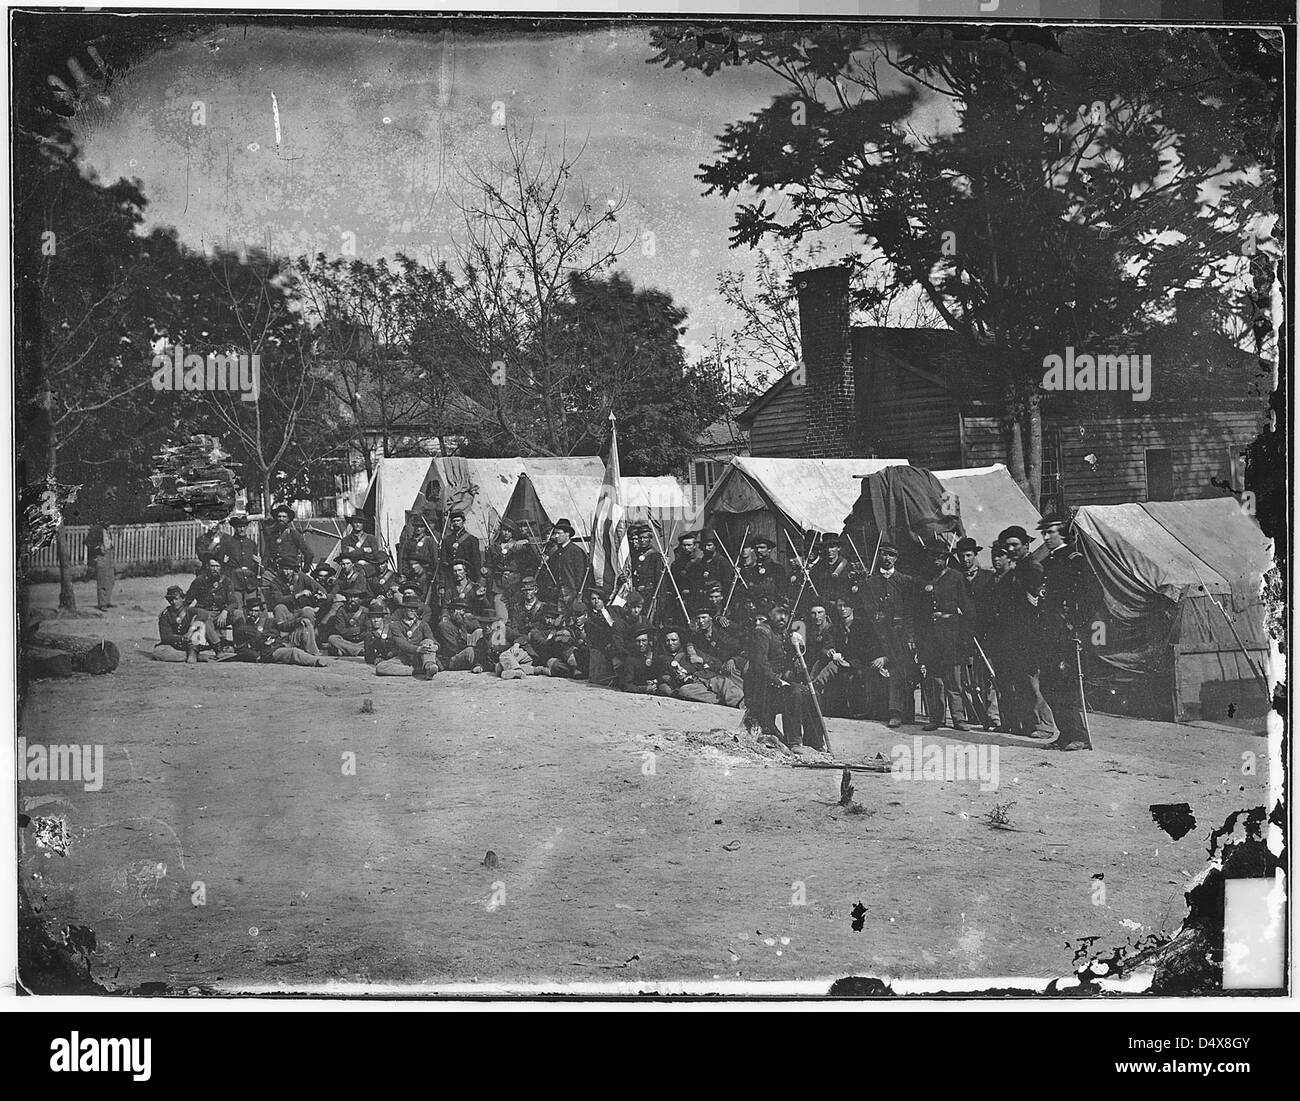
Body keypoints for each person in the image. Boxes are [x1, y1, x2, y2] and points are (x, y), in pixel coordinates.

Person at [1037, 516, 1093, 750]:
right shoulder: (1049, 562)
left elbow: (1087, 597)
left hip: (1066, 633)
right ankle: (1065, 733)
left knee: (1065, 685)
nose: (1046, 537)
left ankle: (1079, 735)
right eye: (1045, 533)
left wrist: (1077, 627)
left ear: (1063, 534)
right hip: (1050, 631)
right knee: (1049, 684)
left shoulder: (1074, 560)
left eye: (1050, 532)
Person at [998, 525, 1057, 741]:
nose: (1011, 548)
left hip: (1031, 635)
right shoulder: (1016, 570)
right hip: (1015, 634)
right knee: (1022, 680)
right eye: (1008, 546)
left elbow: (1038, 603)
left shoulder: (1033, 569)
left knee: (1032, 681)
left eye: (1015, 544)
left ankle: (1045, 725)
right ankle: (1030, 722)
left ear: (1027, 545)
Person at [858, 541, 916, 728]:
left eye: (891, 555)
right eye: (884, 554)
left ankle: (899, 712)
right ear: (879, 556)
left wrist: (910, 636)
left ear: (896, 558)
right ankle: (878, 709)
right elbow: (866, 608)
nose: (887, 558)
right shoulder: (870, 582)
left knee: (901, 670)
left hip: (899, 634)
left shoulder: (905, 581)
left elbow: (910, 611)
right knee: (878, 668)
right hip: (878, 633)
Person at [916, 541, 972, 732]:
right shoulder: (924, 578)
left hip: (951, 636)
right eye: (933, 556)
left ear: (946, 558)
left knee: (954, 681)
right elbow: (920, 612)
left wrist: (961, 630)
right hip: (931, 638)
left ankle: (958, 718)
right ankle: (937, 718)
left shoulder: (956, 577)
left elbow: (966, 607)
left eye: (940, 557)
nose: (936, 560)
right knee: (934, 680)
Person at [952, 537, 999, 731]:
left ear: (975, 555)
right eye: (962, 556)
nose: (965, 559)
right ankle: (975, 714)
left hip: (985, 635)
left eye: (969, 555)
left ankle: (993, 716)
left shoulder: (988, 577)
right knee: (969, 677)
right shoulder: (955, 578)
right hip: (964, 636)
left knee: (988, 676)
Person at [743, 604, 788, 739]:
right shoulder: (762, 631)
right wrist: (777, 680)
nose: (782, 617)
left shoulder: (782, 631)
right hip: (761, 682)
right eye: (778, 613)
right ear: (770, 614)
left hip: (774, 678)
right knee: (761, 720)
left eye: (785, 614)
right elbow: (760, 664)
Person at [185, 555, 234, 650]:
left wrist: (225, 611)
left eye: (217, 566)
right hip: (206, 613)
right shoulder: (199, 581)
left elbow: (233, 602)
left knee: (238, 614)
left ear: (221, 568)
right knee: (205, 619)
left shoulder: (226, 581)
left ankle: (240, 646)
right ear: (207, 567)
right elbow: (188, 599)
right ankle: (217, 647)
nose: (215, 569)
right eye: (212, 566)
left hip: (221, 614)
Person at [385, 597, 441, 678]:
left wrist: (435, 646)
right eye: (409, 608)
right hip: (404, 657)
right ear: (403, 609)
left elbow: (433, 640)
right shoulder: (395, 626)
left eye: (415, 609)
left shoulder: (423, 624)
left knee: (428, 641)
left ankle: (429, 666)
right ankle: (415, 670)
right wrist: (418, 649)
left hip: (421, 657)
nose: (412, 611)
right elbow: (402, 644)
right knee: (381, 667)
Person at [540, 518, 588, 604]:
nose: (556, 536)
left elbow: (580, 575)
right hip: (558, 593)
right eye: (555, 533)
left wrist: (577, 593)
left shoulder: (576, 551)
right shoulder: (557, 552)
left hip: (572, 593)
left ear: (567, 534)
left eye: (559, 533)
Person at [154, 585, 207, 662]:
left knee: (200, 625)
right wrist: (183, 638)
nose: (174, 602)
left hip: (191, 644)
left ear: (183, 598)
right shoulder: (165, 615)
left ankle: (191, 654)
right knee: (158, 652)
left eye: (176, 599)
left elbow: (205, 614)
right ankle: (195, 656)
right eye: (171, 600)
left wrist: (192, 628)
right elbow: (165, 637)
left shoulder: (189, 611)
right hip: (174, 645)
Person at [222, 513, 262, 614]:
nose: (242, 529)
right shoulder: (228, 543)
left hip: (250, 582)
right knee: (238, 609)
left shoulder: (251, 543)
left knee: (252, 609)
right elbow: (224, 564)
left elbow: (257, 566)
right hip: (235, 581)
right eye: (239, 527)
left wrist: (259, 563)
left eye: (244, 526)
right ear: (235, 528)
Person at [261, 503, 312, 571]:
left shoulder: (294, 533)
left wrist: (305, 569)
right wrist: (263, 568)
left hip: (290, 570)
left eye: (284, 517)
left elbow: (308, 553)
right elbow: (267, 554)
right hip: (274, 571)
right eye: (279, 516)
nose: (281, 519)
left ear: (288, 519)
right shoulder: (272, 535)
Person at [436, 599, 483, 671]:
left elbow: (477, 626)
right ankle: (480, 663)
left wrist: (469, 618)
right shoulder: (444, 625)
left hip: (462, 650)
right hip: (451, 659)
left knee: (479, 632)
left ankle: (479, 661)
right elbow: (453, 649)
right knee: (470, 650)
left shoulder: (459, 620)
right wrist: (471, 648)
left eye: (463, 610)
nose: (462, 612)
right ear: (451, 611)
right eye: (459, 609)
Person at [620, 626, 668, 694]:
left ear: (649, 641)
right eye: (638, 641)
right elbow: (625, 685)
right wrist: (644, 688)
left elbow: (666, 677)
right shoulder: (631, 660)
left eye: (644, 641)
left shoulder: (659, 658)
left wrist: (656, 682)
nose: (641, 644)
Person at [441, 510, 481, 591]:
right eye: (454, 521)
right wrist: (442, 584)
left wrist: (476, 580)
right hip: (451, 577)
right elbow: (443, 561)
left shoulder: (472, 539)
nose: (456, 523)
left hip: (467, 576)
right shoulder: (447, 540)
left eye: (458, 520)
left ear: (463, 522)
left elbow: (476, 561)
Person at [85, 522, 116, 610]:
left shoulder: (107, 530)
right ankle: (102, 603)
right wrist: (98, 548)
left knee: (110, 578)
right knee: (102, 579)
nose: (108, 522)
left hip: (109, 554)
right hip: (101, 556)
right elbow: (88, 542)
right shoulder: (96, 530)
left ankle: (107, 601)